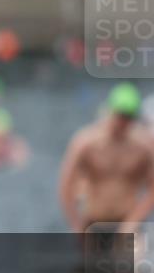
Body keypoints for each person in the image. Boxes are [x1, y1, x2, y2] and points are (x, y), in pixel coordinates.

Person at [59, 83, 154, 236]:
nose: (123, 122)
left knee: (136, 255)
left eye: (129, 116)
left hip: (126, 221)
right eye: (121, 115)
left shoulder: (143, 147)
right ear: (110, 110)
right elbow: (66, 188)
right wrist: (76, 224)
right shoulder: (85, 143)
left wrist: (133, 222)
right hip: (92, 220)